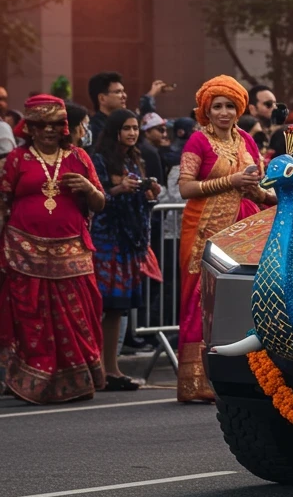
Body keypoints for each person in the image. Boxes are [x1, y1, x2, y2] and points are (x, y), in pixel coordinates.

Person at [0, 96, 107, 403]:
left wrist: (88, 189)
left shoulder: (78, 157)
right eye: (40, 125)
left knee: (80, 316)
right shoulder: (17, 160)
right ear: (30, 128)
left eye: (54, 125)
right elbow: (3, 205)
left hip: (72, 253)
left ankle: (79, 381)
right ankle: (34, 381)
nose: (48, 131)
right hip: (24, 253)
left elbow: (100, 203)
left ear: (63, 127)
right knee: (31, 318)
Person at [175, 76, 271, 403]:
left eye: (230, 106)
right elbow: (185, 188)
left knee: (243, 297)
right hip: (202, 229)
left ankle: (243, 376)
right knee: (199, 301)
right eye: (217, 106)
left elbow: (256, 184)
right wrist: (232, 180)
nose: (224, 112)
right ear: (206, 110)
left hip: (243, 228)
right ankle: (196, 382)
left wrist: (272, 195)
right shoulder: (197, 142)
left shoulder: (247, 141)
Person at [90, 110, 162, 389]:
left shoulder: (135, 158)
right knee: (100, 307)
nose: (132, 133)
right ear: (114, 130)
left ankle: (112, 370)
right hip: (105, 240)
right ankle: (96, 369)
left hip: (129, 243)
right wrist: (119, 188)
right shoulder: (98, 159)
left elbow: (143, 202)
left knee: (117, 310)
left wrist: (148, 192)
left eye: (135, 128)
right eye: (126, 128)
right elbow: (95, 199)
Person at [86, 71, 128, 143]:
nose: (124, 96)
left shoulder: (125, 123)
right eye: (118, 92)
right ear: (102, 98)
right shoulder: (94, 129)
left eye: (123, 91)